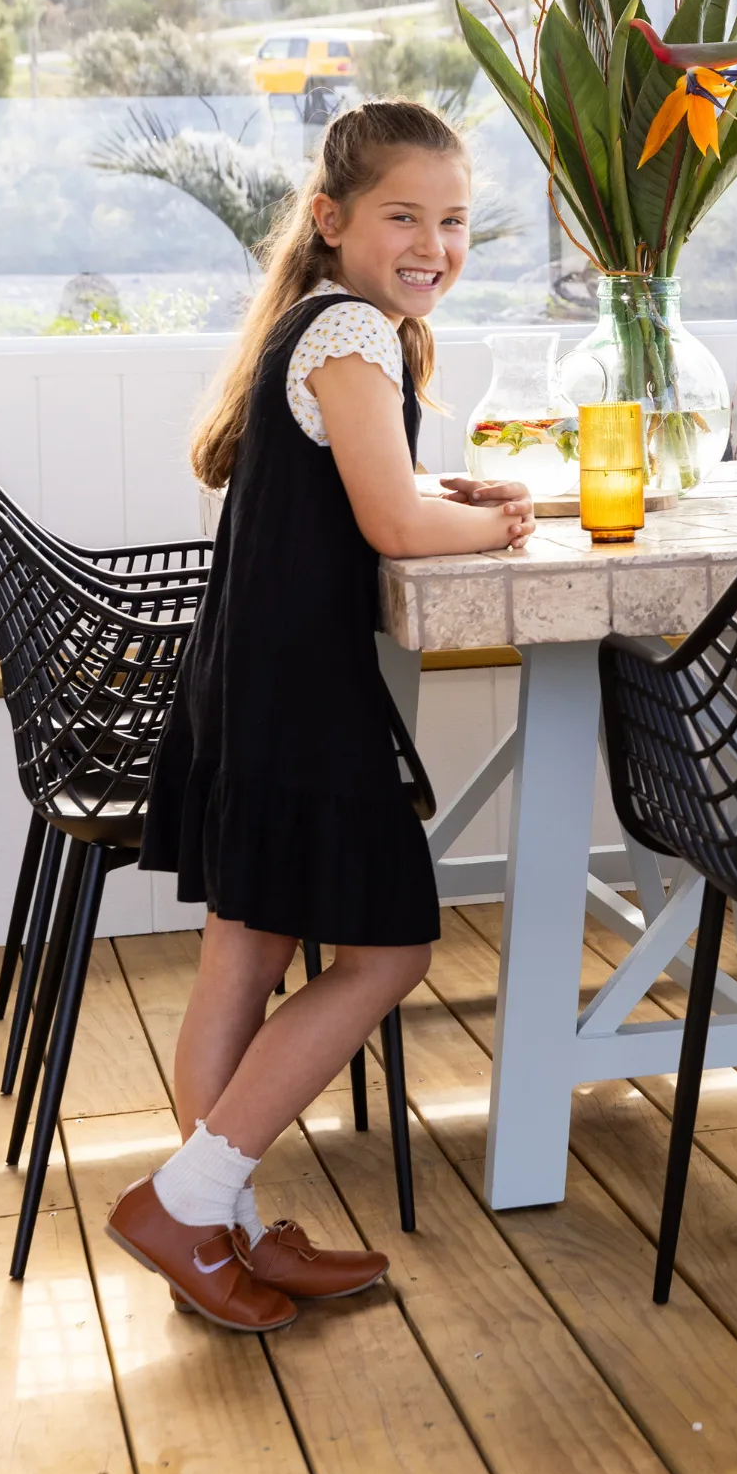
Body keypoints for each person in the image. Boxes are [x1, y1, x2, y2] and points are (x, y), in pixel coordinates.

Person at [110, 101, 536, 1333]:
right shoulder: (353, 329)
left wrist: (448, 498)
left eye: (453, 221)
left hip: (246, 685)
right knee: (392, 949)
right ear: (332, 219)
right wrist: (502, 522)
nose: (434, 243)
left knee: (242, 959)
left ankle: (224, 1233)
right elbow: (395, 527)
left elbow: (377, 498)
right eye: (405, 215)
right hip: (300, 700)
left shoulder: (315, 326)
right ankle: (191, 1200)